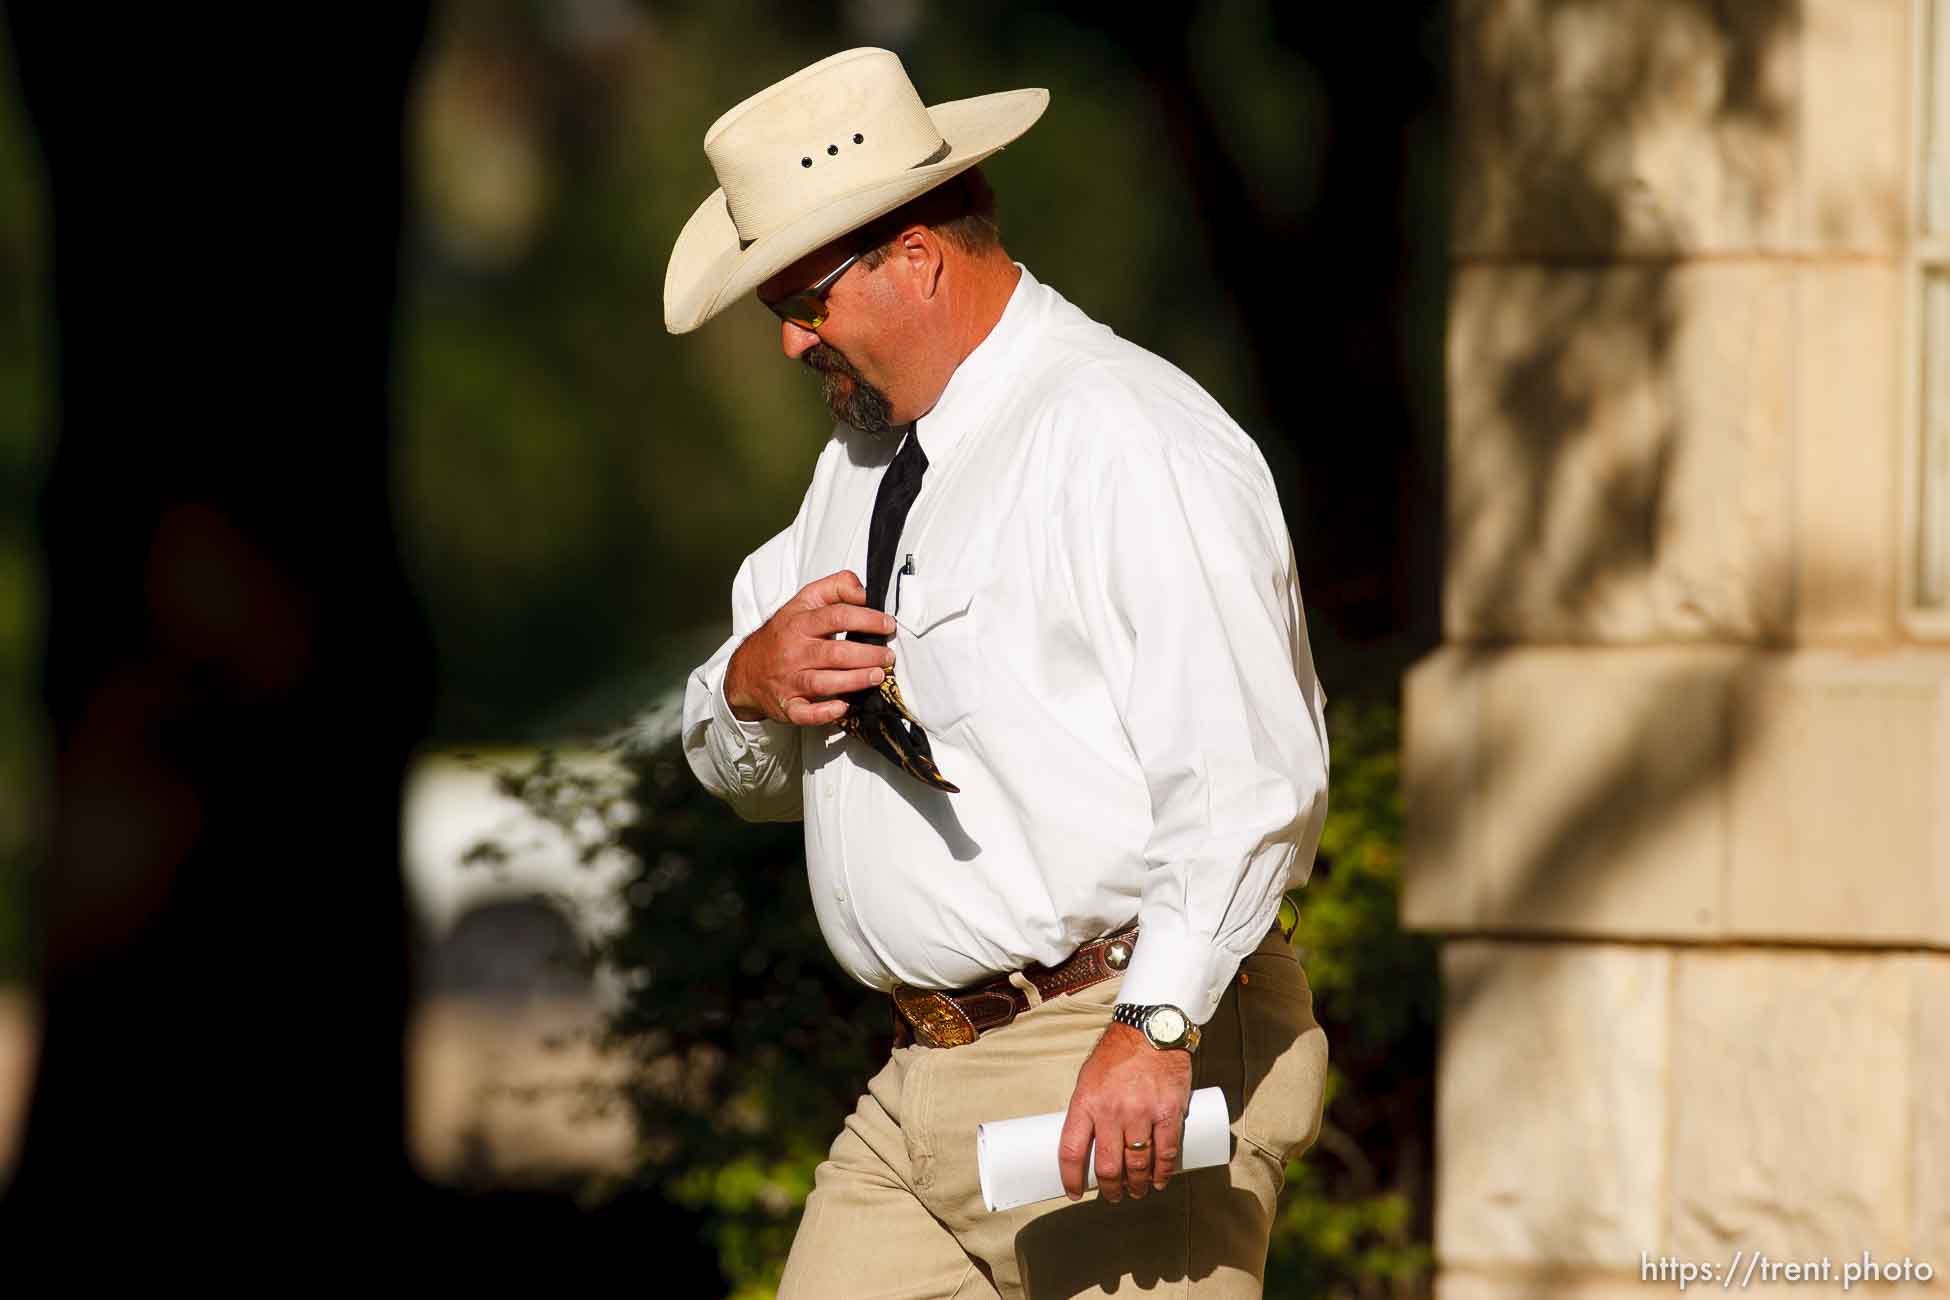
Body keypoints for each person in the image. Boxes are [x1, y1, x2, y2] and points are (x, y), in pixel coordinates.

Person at [670, 46, 1332, 1300]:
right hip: (921, 1081)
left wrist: (1158, 1024)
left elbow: (1248, 773)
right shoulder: (855, 467)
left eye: (799, 302)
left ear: (915, 259)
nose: (791, 341)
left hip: (1117, 1046)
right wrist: (749, 685)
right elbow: (747, 765)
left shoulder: (1128, 435)